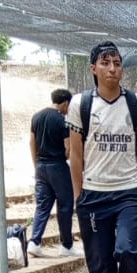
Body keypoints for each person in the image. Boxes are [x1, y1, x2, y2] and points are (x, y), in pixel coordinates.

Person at [66, 41, 137, 273]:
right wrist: (79, 196)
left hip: (130, 193)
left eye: (117, 63)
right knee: (100, 261)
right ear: (94, 69)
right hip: (94, 195)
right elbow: (75, 155)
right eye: (105, 63)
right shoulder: (81, 105)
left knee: (128, 251)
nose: (112, 69)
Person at [27, 88, 76, 257]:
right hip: (58, 166)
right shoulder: (62, 121)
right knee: (65, 205)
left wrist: (36, 165)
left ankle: (34, 242)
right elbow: (68, 148)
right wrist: (66, 155)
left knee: (42, 205)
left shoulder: (36, 117)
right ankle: (66, 245)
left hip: (41, 166)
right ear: (66, 103)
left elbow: (31, 143)